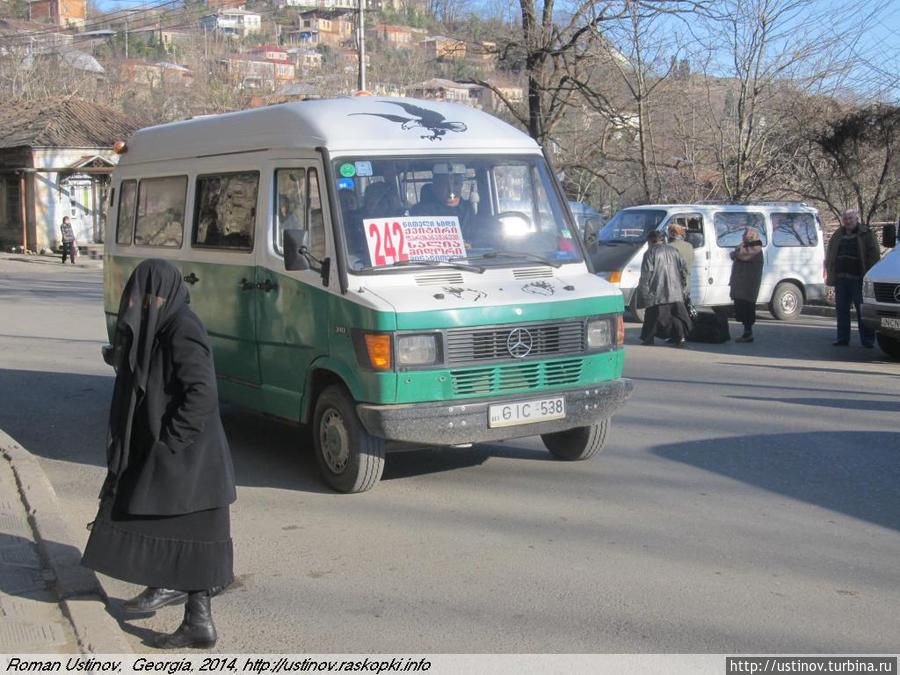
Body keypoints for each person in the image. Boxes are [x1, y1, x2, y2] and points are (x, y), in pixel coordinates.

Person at [82, 259, 236, 650]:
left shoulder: (183, 326)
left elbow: (202, 393)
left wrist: (171, 440)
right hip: (181, 458)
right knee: (179, 533)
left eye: (151, 295)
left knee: (189, 534)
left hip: (189, 457)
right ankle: (193, 617)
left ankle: (196, 621)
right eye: (139, 295)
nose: (143, 303)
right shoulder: (164, 325)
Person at [825, 209, 881, 347]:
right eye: (845, 219)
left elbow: (874, 256)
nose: (848, 221)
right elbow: (831, 254)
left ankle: (867, 341)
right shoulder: (838, 234)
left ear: (856, 219)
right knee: (842, 310)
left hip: (858, 280)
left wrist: (869, 277)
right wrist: (831, 274)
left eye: (850, 218)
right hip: (841, 279)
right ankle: (842, 339)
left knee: (862, 310)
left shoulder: (866, 234)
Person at [636, 230, 691, 347]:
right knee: (676, 316)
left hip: (657, 291)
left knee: (653, 317)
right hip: (676, 291)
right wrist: (684, 287)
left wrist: (644, 293)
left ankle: (648, 339)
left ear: (651, 240)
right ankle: (680, 337)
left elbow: (646, 274)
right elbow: (684, 270)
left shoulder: (650, 253)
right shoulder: (674, 251)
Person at [411, 162, 475, 230]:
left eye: (456, 183)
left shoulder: (469, 209)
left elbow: (480, 234)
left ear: (461, 185)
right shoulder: (421, 211)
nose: (451, 191)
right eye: (445, 184)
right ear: (435, 187)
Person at [729, 227, 764, 343]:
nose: (742, 237)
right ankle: (746, 332)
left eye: (745, 235)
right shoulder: (749, 247)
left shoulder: (755, 248)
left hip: (748, 286)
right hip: (743, 285)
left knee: (747, 309)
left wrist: (736, 251)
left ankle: (748, 333)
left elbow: (738, 254)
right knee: (742, 308)